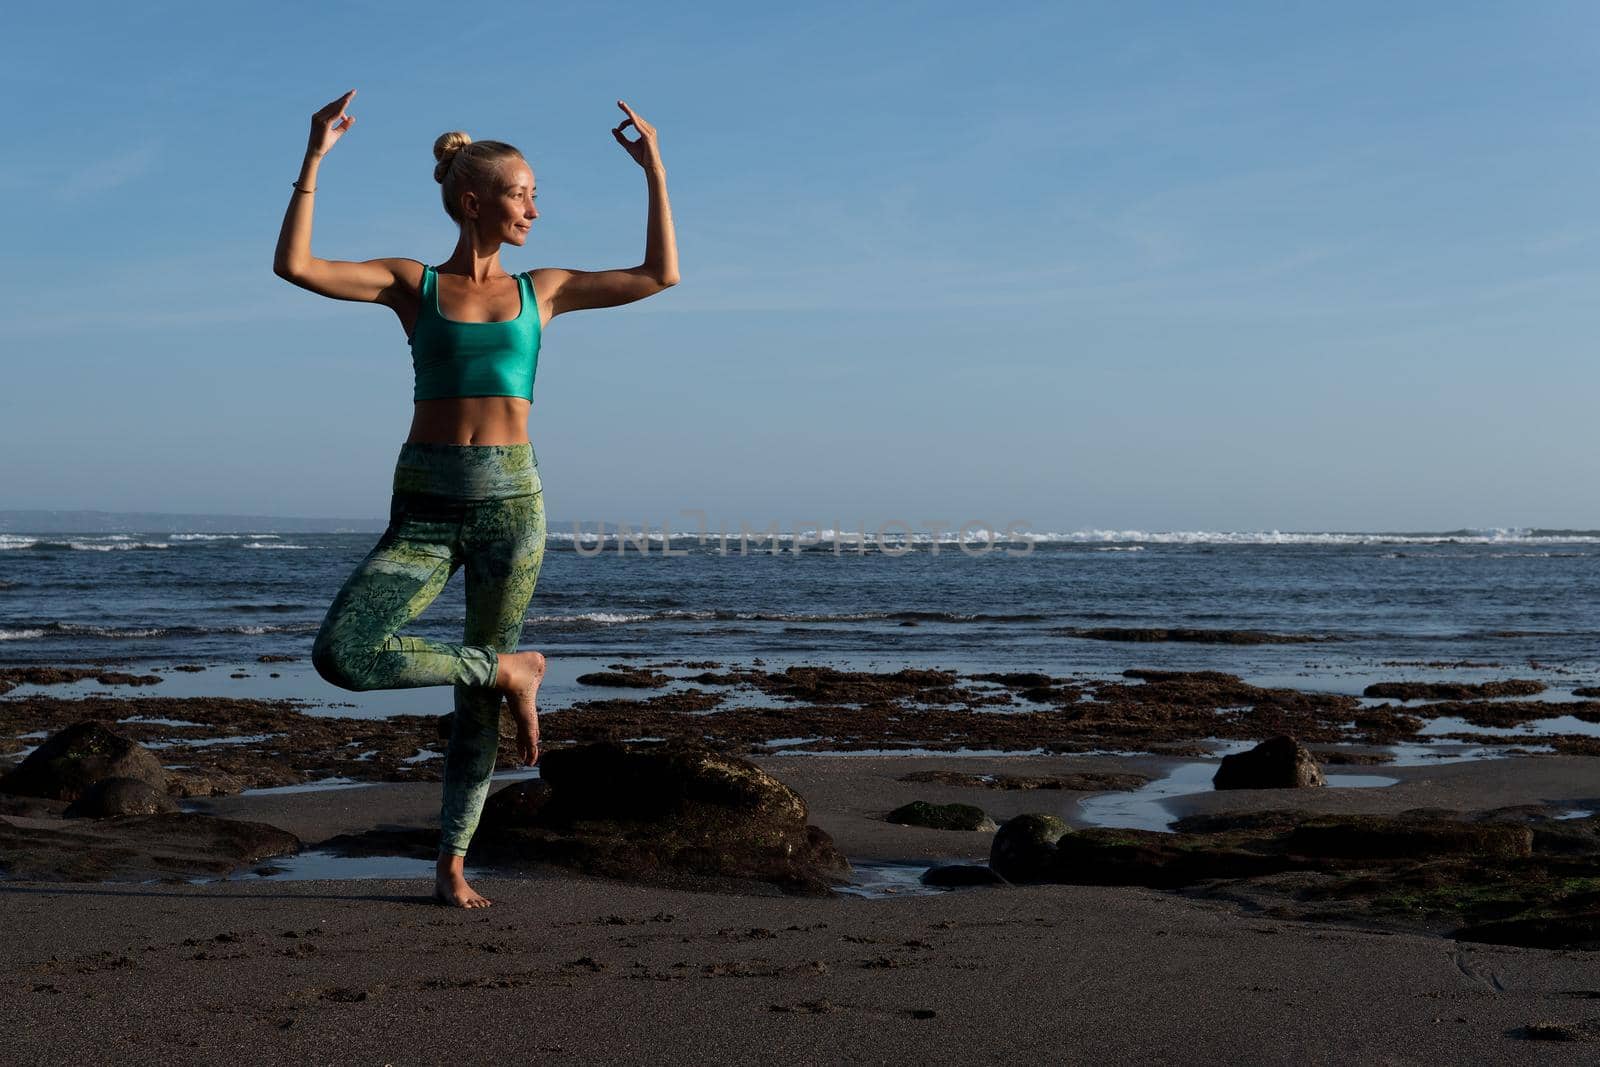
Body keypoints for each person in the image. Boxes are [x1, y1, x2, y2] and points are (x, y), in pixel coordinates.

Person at [272, 89, 679, 908]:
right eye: (521, 191)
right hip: (423, 503)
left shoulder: (547, 288)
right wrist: (314, 157)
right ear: (473, 200)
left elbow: (658, 274)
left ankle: (451, 862)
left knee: (474, 708)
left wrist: (654, 169)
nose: (535, 204)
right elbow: (297, 266)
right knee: (342, 653)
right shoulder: (409, 282)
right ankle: (509, 668)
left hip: (511, 506)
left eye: (533, 192)